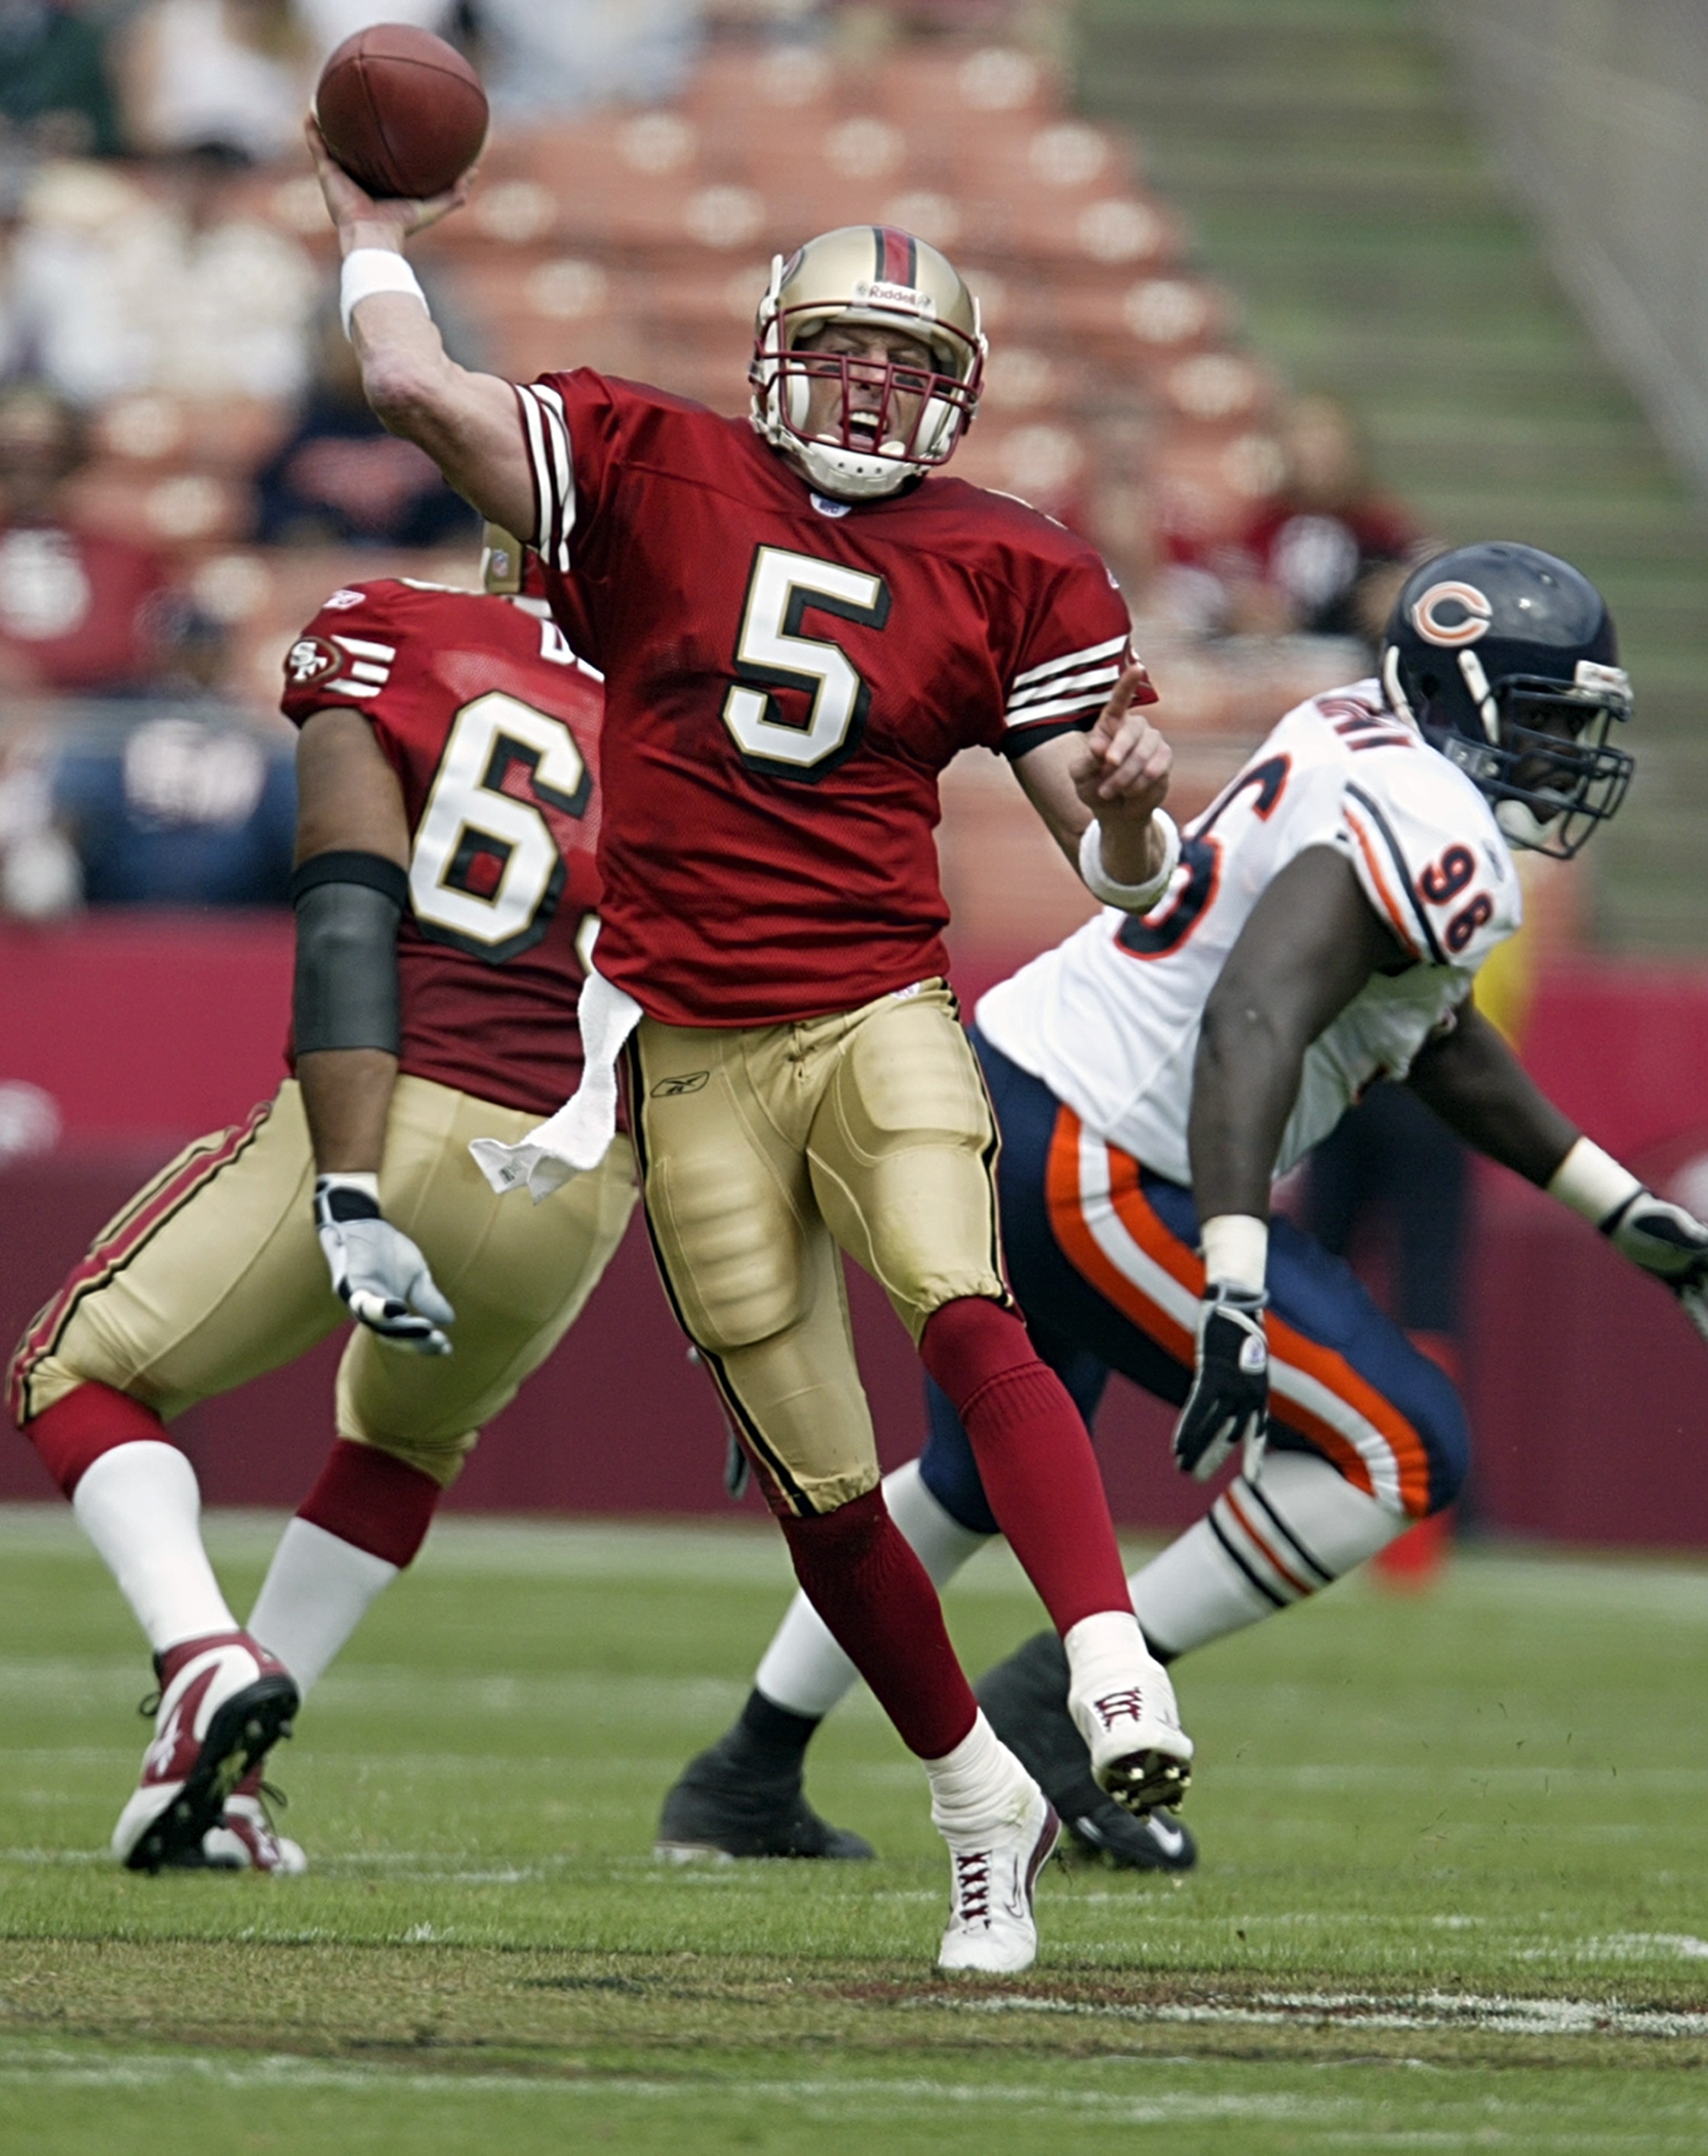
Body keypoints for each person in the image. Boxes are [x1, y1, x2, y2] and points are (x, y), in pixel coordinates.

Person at [310, 127, 1194, 1976]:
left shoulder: (1018, 564)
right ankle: (977, 1797)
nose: (870, 391)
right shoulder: (646, 462)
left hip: (876, 1001)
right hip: (690, 1045)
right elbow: (403, 381)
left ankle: (1109, 1655)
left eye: (908, 366)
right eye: (844, 352)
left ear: (954, 397)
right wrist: (371, 225)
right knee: (823, 1478)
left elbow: (1114, 861)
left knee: (967, 1301)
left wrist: (1130, 813)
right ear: (776, 351)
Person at [658, 541, 1708, 1871]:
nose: (1568, 757)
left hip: (1017, 1083)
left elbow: (1422, 1031)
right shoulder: (1437, 828)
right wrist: (1234, 1271)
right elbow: (1256, 1013)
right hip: (1104, 1149)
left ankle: (743, 1774)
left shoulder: (1351, 731)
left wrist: (1623, 1215)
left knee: (979, 1474)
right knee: (1401, 1448)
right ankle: (1064, 1697)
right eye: (1549, 719)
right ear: (1462, 699)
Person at [7, 529, 634, 1873]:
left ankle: (198, 1654)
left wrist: (351, 1178)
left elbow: (346, 914)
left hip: (401, 1097)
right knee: (402, 1447)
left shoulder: (409, 634)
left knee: (77, 1370)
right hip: (581, 1179)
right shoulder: (713, 727)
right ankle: (217, 1788)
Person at [0, 381, 179, 694]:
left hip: (95, 713)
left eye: (49, 454)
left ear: (77, 459)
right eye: (13, 455)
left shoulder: (127, 555)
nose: (30, 469)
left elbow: (134, 648)